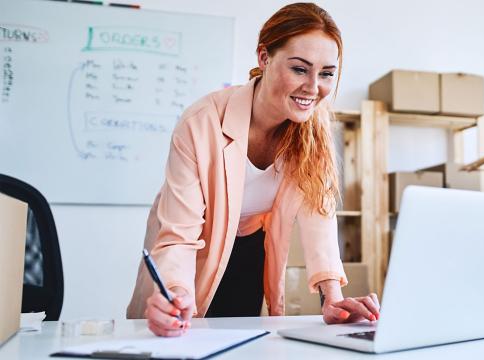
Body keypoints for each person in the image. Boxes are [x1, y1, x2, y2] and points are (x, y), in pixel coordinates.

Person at [127, 3, 380, 337]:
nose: (313, 87)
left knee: (242, 342)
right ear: (264, 58)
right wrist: (176, 291)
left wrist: (332, 296)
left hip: (248, 247)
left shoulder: (314, 126)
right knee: (177, 333)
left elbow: (320, 212)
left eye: (327, 73)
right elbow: (179, 234)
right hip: (190, 248)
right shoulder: (200, 123)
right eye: (300, 69)